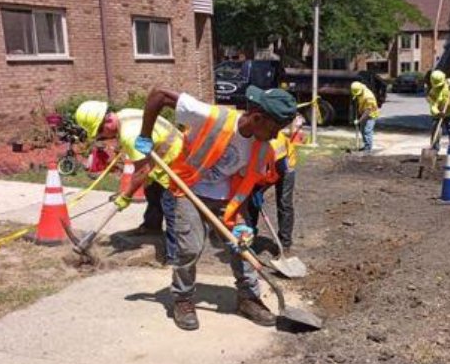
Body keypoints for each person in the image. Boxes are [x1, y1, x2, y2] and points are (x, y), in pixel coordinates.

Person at [129, 85, 298, 332]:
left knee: (242, 246)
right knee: (190, 248)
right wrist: (145, 136)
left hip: (224, 201)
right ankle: (183, 299)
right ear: (258, 118)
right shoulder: (212, 117)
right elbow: (158, 95)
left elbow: (243, 187)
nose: (275, 136)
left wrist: (240, 222)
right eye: (274, 129)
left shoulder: (264, 149)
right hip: (187, 189)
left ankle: (248, 299)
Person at [74, 99, 182, 263]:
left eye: (100, 132)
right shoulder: (124, 114)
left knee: (171, 206)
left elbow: (142, 170)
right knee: (152, 190)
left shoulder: (129, 134)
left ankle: (177, 257)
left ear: (108, 121)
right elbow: (145, 168)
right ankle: (152, 227)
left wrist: (126, 196)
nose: (103, 137)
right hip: (163, 157)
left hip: (177, 162)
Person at [246, 113, 304, 255]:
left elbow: (277, 174)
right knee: (250, 202)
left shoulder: (275, 147)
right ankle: (249, 235)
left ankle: (284, 245)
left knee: (284, 203)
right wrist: (254, 190)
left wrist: (261, 189)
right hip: (266, 169)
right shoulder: (251, 143)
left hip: (285, 166)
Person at [426, 69, 450, 157]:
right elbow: (432, 106)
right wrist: (438, 112)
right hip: (438, 115)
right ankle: (434, 150)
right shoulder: (432, 92)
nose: (439, 87)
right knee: (436, 132)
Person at [349, 81, 380, 153]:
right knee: (362, 130)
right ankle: (366, 146)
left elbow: (368, 111)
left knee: (367, 131)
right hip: (364, 113)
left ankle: (368, 149)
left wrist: (359, 121)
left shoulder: (369, 97)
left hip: (371, 115)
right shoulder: (360, 87)